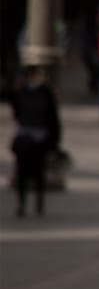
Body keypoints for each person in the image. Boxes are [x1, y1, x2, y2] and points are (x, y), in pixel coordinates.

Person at [10, 66, 61, 217]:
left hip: (40, 138)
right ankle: (22, 203)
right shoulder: (21, 92)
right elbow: (16, 111)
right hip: (24, 137)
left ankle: (39, 202)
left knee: (38, 172)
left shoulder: (46, 92)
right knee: (22, 172)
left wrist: (54, 141)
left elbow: (53, 118)